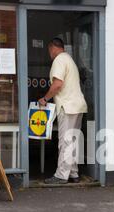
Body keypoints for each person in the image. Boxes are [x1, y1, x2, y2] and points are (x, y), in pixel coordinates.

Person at [39, 38, 88, 184]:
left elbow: (57, 84)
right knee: (71, 140)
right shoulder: (69, 59)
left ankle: (61, 175)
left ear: (53, 47)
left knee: (65, 141)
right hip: (77, 105)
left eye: (49, 50)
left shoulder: (59, 60)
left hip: (67, 106)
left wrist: (45, 99)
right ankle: (73, 173)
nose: (49, 53)